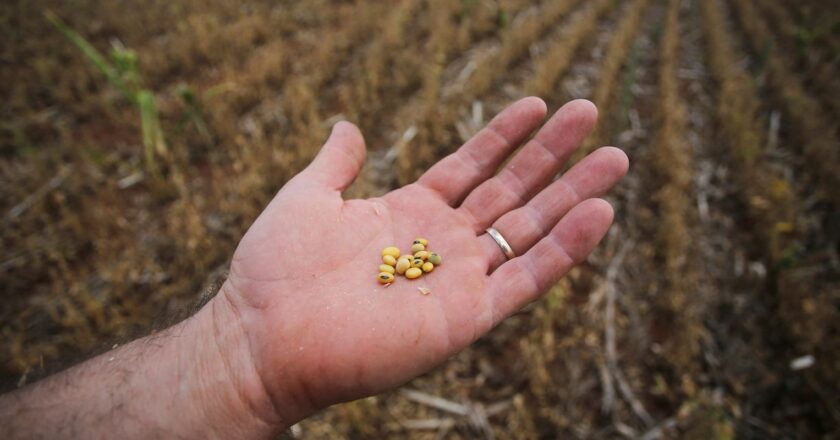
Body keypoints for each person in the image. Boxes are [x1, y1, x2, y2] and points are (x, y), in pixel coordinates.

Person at [0, 97, 628, 438]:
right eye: (407, 264)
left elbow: (409, 264)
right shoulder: (403, 265)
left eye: (406, 266)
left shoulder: (412, 261)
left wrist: (234, 360)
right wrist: (237, 356)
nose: (409, 266)